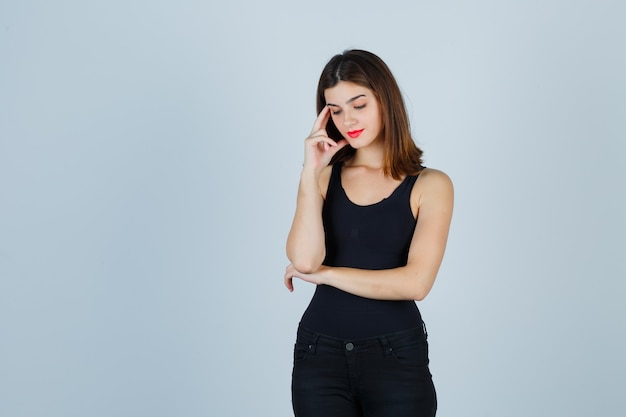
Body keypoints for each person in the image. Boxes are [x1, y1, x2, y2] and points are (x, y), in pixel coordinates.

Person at [284, 49, 453, 417]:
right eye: (336, 110)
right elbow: (303, 259)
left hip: (395, 356)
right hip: (319, 354)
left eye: (359, 105)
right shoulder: (324, 177)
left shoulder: (430, 184)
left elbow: (416, 284)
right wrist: (308, 171)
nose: (348, 120)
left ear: (384, 100)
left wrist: (327, 275)